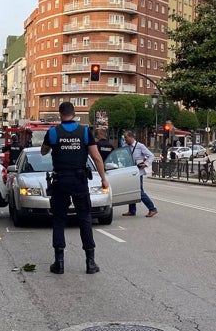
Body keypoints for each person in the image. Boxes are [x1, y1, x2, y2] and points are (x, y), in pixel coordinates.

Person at [41, 102, 109, 275]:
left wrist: (52, 145)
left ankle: (59, 263)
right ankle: (90, 263)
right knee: (85, 218)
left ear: (60, 114)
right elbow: (96, 157)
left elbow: (43, 151)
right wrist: (104, 179)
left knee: (59, 220)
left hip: (60, 181)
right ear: (74, 113)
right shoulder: (85, 132)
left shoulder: (53, 132)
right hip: (79, 181)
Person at [121, 130, 158, 218]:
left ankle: (152, 208)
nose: (125, 139)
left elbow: (151, 155)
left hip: (138, 172)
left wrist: (146, 164)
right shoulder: (125, 146)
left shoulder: (140, 146)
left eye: (126, 137)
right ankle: (132, 210)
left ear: (130, 137)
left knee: (139, 192)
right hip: (129, 171)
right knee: (131, 190)